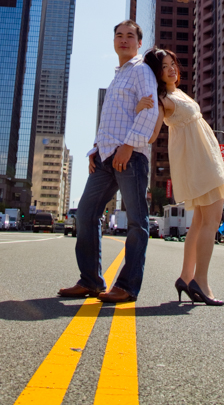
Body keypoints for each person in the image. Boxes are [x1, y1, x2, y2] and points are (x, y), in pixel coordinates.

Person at [58, 20, 159, 303]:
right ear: (113, 41)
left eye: (130, 36)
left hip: (130, 156)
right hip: (105, 158)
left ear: (139, 43)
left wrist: (128, 145)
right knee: (86, 214)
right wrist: (95, 148)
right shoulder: (118, 76)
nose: (123, 40)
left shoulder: (141, 71)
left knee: (137, 222)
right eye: (119, 36)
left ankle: (127, 286)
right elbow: (114, 119)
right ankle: (90, 281)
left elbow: (148, 112)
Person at [139, 47, 224, 306]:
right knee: (211, 222)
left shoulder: (177, 93)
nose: (171, 69)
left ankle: (186, 276)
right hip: (199, 163)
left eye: (173, 64)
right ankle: (200, 281)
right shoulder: (163, 99)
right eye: (165, 66)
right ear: (156, 73)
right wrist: (140, 108)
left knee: (202, 222)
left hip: (206, 158)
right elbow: (152, 134)